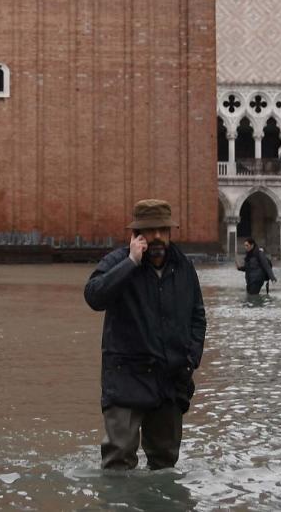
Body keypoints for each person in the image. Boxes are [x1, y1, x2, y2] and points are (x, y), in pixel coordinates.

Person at [84, 198, 207, 471]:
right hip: (126, 378)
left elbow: (197, 316)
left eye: (164, 230)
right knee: (119, 458)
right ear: (136, 234)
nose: (158, 237)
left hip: (170, 379)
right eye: (151, 231)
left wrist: (191, 359)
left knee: (165, 461)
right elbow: (94, 297)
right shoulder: (117, 262)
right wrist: (130, 263)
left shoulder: (184, 267)